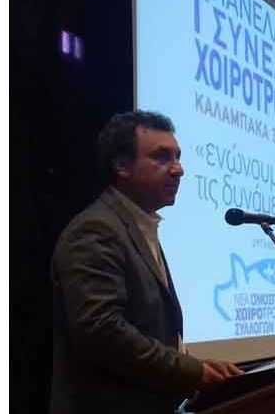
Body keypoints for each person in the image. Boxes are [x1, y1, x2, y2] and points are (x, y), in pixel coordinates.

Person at [50, 110, 242, 414]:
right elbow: (101, 331)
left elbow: (144, 327)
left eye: (178, 157)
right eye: (162, 157)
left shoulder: (137, 227)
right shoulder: (96, 229)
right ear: (122, 166)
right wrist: (190, 371)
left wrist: (194, 365)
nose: (179, 169)